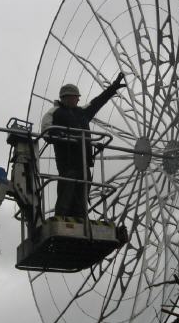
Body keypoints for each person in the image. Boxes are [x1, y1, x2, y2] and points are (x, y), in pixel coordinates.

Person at [41, 73, 126, 218]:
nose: (79, 99)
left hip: (84, 164)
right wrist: (62, 136)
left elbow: (97, 102)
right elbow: (46, 131)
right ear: (67, 97)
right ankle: (61, 220)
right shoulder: (55, 112)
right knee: (65, 196)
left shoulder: (82, 112)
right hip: (67, 164)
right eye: (76, 96)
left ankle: (80, 220)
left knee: (81, 199)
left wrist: (113, 88)